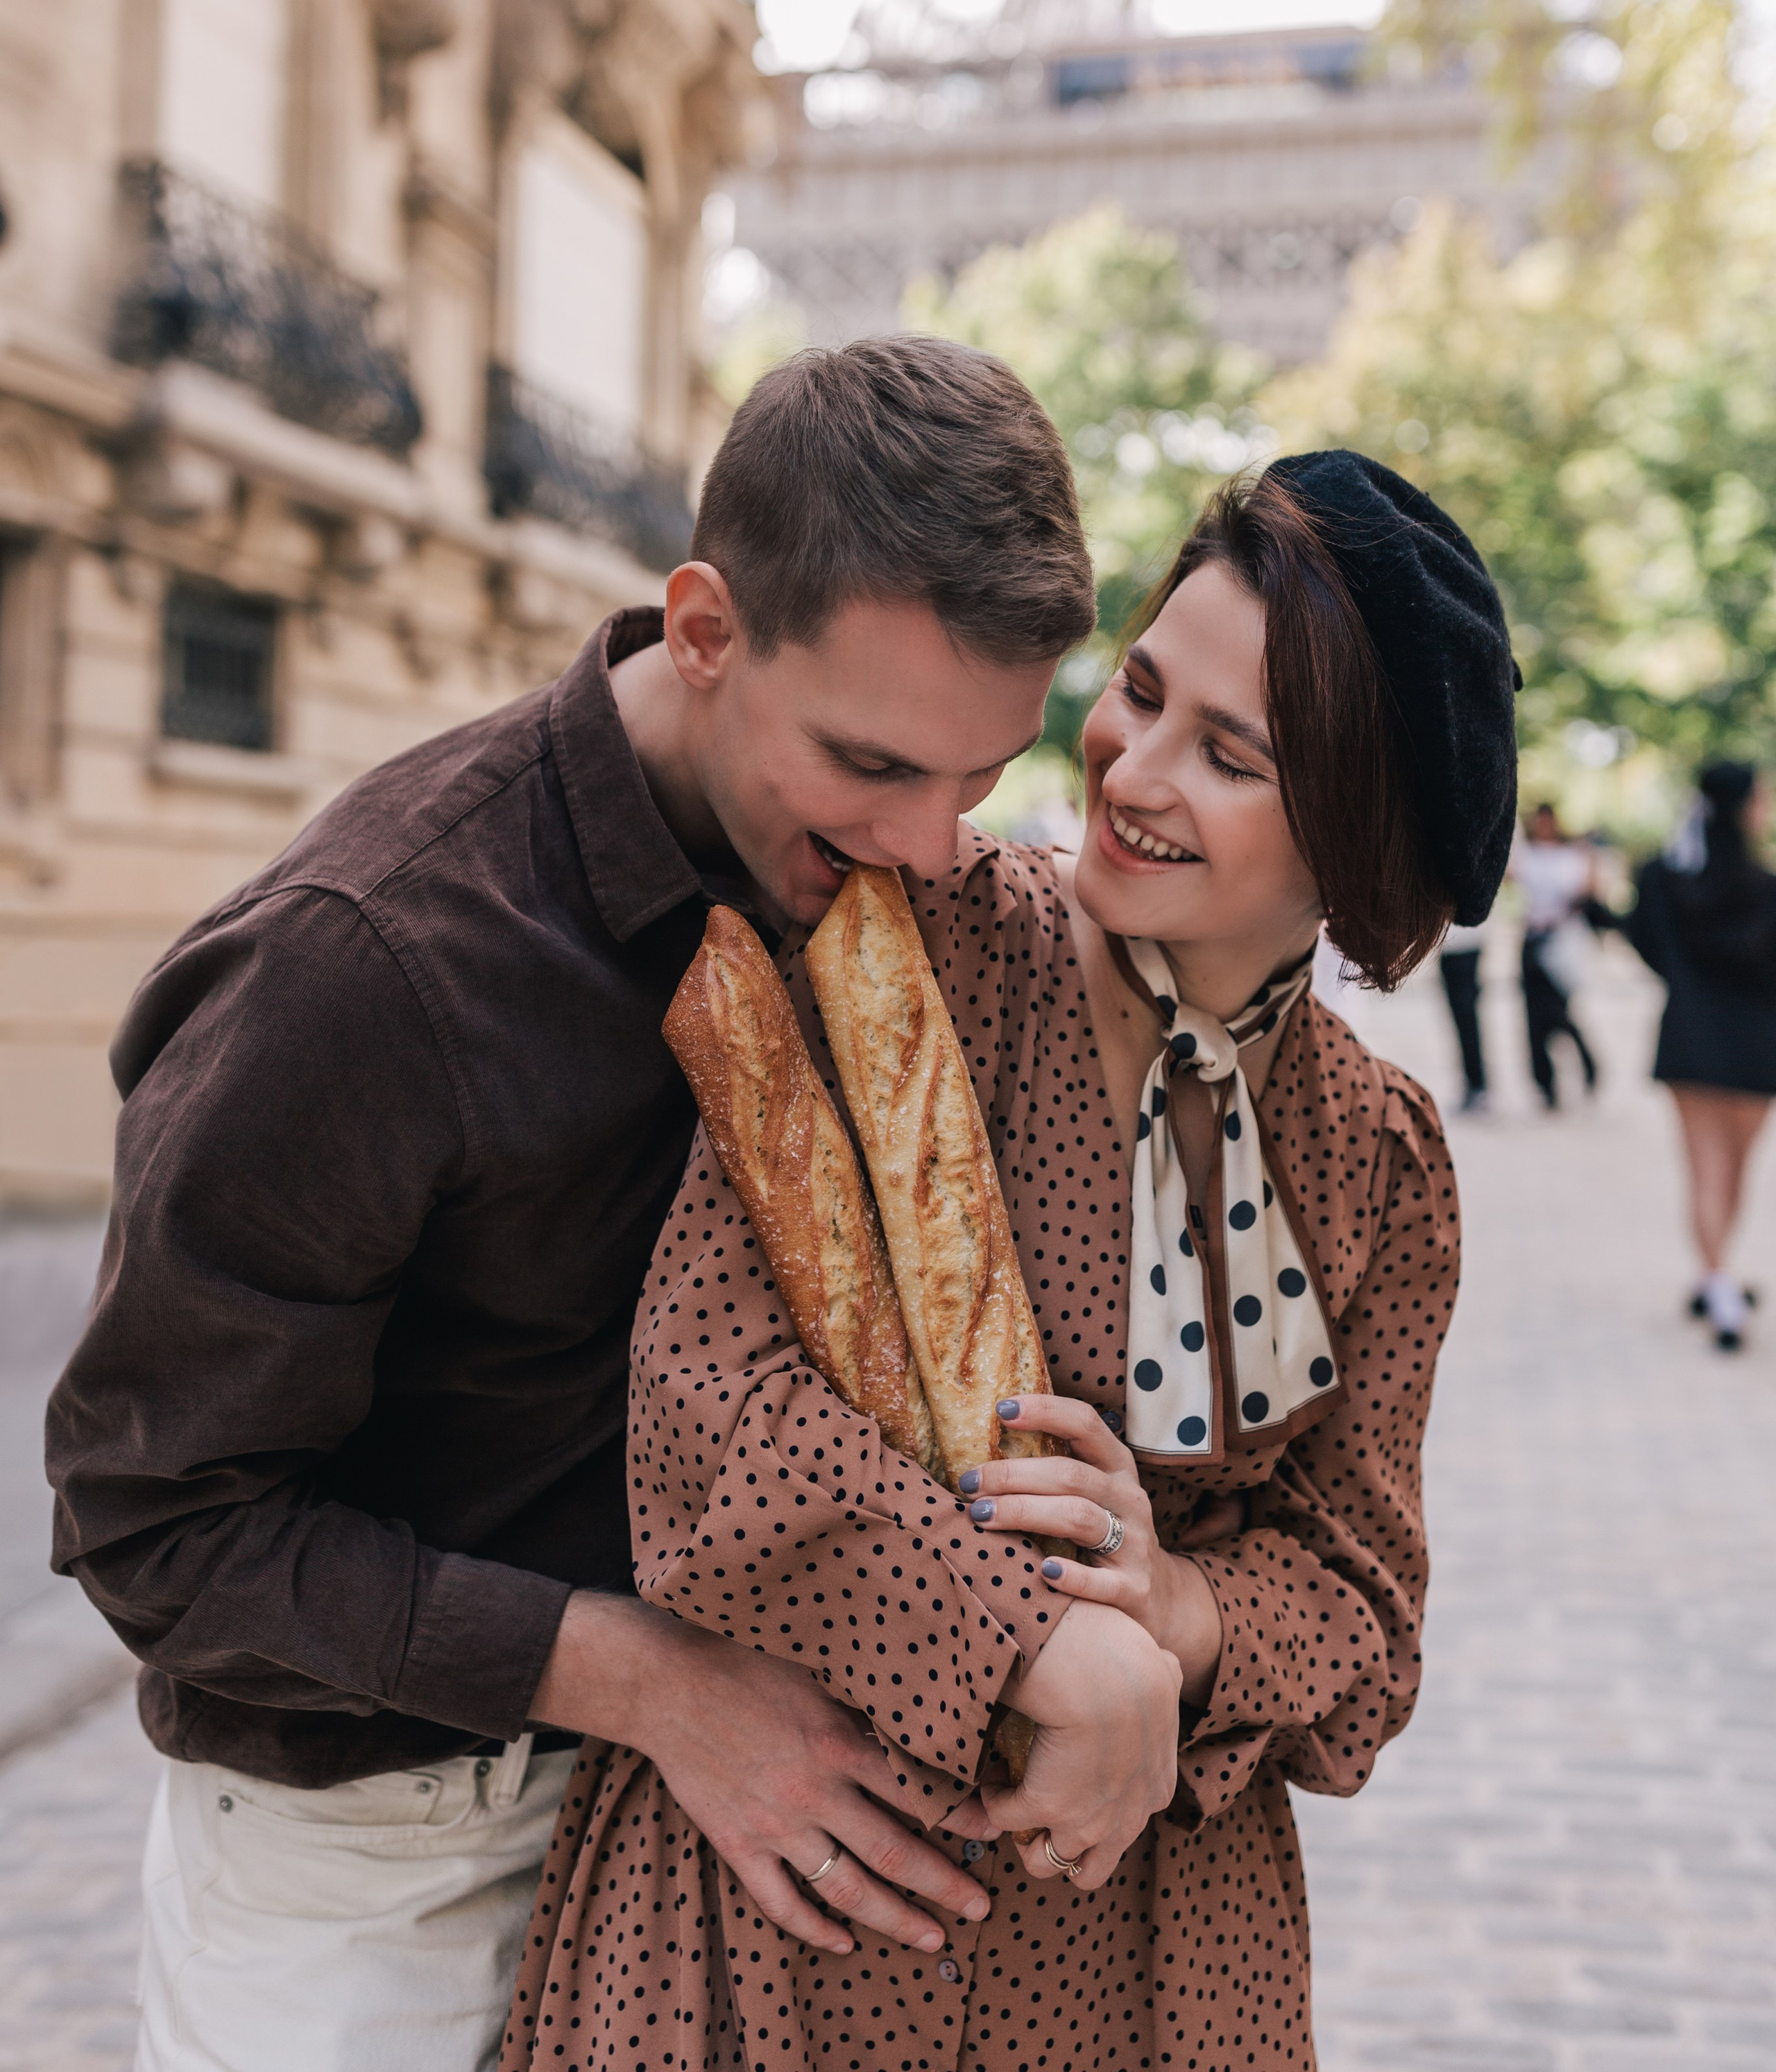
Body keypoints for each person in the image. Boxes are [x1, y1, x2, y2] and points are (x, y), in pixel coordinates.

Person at [45, 337, 1136, 2072]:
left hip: (741, 1842)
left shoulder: (894, 885)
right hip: (388, 1868)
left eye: (977, 777)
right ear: (701, 629)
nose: (934, 848)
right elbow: (149, 1520)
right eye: (871, 762)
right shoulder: (362, 964)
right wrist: (647, 1681)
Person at [505, 450, 1521, 2072]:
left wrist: (1179, 1616)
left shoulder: (1377, 1159)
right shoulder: (908, 939)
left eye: (1230, 753)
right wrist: (1038, 1637)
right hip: (799, 1894)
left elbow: (1362, 1613)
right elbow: (706, 1397)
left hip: (1151, 1956)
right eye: (1137, 689)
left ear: (1347, 842)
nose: (1127, 765)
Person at [1621, 760, 1776, 1351]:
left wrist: (1686, 984)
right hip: (1759, 1046)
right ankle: (1719, 1279)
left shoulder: (1663, 877)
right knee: (1736, 1173)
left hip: (1691, 1037)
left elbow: (1645, 943)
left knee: (1705, 1170)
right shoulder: (1766, 888)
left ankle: (1716, 1277)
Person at [1512, 803, 1599, 1108]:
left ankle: (1588, 1063)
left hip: (1559, 942)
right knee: (1532, 1019)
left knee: (1559, 1014)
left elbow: (1587, 893)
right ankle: (1546, 1084)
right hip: (1532, 940)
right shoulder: (1527, 855)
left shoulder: (1570, 857)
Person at [1437, 919, 1489, 1111]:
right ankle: (1475, 1084)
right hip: (1454, 946)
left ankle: (1478, 1086)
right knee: (1463, 1022)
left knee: (1466, 1020)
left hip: (1464, 945)